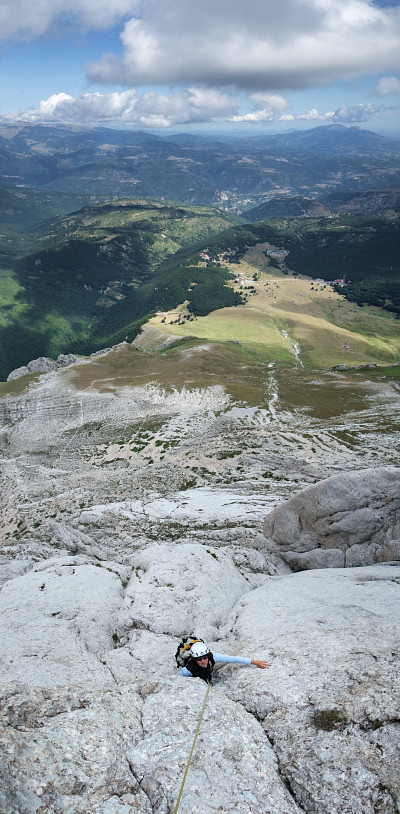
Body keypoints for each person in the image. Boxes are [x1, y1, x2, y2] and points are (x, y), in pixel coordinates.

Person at [181, 640, 269, 682]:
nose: (203, 660)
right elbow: (179, 679)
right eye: (199, 658)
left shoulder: (213, 657)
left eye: (205, 657)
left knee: (228, 661)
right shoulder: (189, 669)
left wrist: (254, 662)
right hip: (198, 676)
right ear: (194, 659)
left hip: (210, 668)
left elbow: (233, 659)